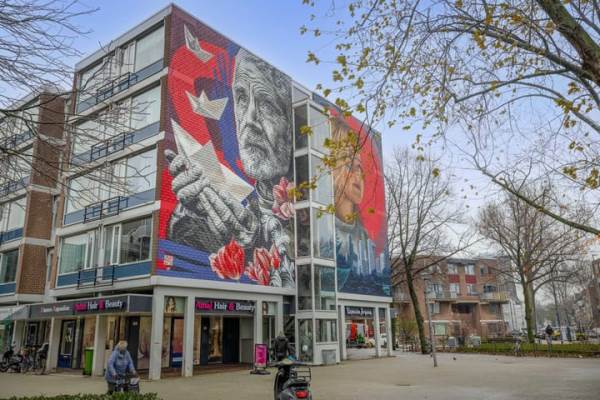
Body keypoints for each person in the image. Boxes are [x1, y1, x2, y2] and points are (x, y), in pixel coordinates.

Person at [166, 46, 295, 288]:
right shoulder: (232, 208)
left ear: (292, 126)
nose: (249, 120)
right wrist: (193, 220)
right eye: (242, 98)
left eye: (267, 105)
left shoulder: (313, 210)